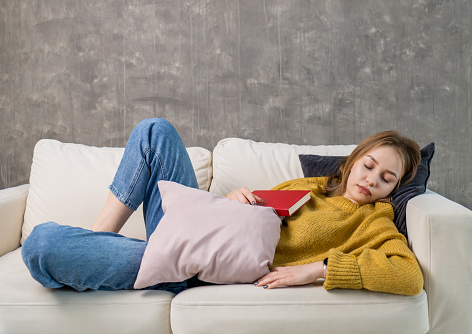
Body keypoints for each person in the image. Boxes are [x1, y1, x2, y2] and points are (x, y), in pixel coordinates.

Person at [22, 118, 423, 296]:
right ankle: (101, 236)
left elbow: (408, 276)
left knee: (43, 244)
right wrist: (235, 200)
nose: (371, 179)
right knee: (153, 130)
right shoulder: (312, 187)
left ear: (394, 188)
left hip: (200, 264)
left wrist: (317, 270)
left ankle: (98, 249)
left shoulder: (374, 221)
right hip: (196, 224)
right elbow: (249, 220)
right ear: (353, 161)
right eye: (369, 166)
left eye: (387, 178)